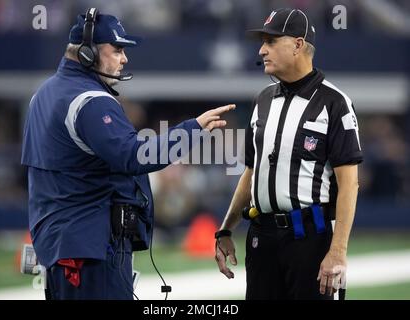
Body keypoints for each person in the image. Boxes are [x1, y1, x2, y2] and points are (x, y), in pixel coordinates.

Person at [21, 8, 235, 300]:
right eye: (118, 49)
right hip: (91, 250)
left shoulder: (42, 93)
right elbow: (135, 156)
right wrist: (192, 129)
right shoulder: (90, 100)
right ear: (87, 53)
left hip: (58, 246)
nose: (124, 58)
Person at [214, 8, 363, 300]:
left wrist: (337, 252)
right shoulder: (263, 100)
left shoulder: (334, 103)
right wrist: (225, 230)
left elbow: (349, 184)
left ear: (297, 44)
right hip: (262, 236)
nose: (261, 50)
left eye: (270, 41)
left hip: (310, 237)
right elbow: (252, 171)